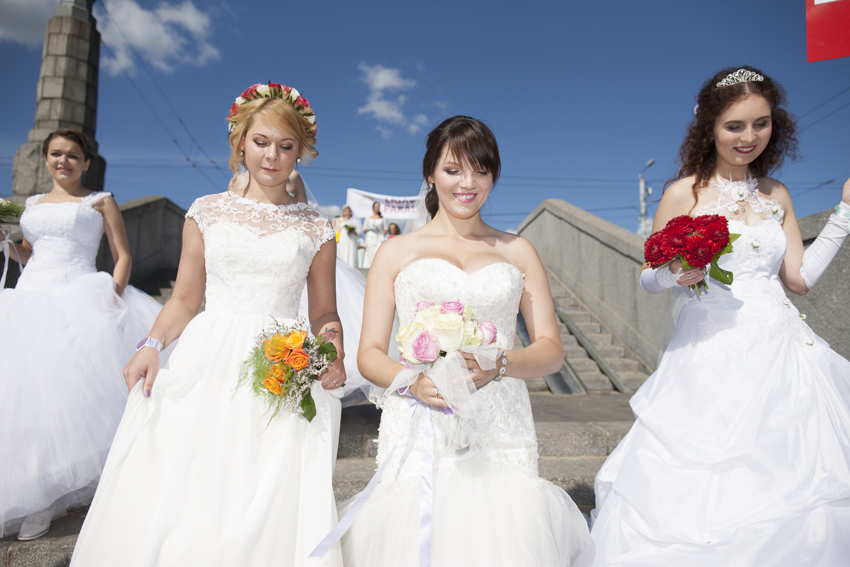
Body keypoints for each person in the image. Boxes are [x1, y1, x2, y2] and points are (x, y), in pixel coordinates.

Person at [70, 82, 346, 566]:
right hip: (210, 357)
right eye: (261, 141)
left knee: (267, 492)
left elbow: (324, 311)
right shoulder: (206, 212)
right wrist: (151, 344)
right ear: (241, 141)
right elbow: (183, 299)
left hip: (281, 363)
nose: (272, 156)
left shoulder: (316, 227)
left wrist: (332, 348)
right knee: (194, 484)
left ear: (300, 151)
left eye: (286, 146)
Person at [586, 67, 850, 566]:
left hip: (781, 352)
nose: (749, 137)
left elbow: (799, 279)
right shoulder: (683, 193)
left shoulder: (777, 194)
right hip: (707, 354)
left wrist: (845, 214)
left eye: (761, 123)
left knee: (796, 481)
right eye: (735, 126)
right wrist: (675, 274)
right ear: (709, 126)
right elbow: (647, 277)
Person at [337, 116, 590, 566]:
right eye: (453, 170)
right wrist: (413, 383)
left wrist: (502, 364)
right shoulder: (395, 252)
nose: (467, 183)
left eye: (481, 170)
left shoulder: (518, 250)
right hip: (420, 417)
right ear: (430, 174)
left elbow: (551, 350)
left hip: (500, 422)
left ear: (494, 176)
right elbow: (369, 354)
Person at [0, 129, 166, 540]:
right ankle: (27, 489)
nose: (64, 161)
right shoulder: (33, 205)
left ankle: (49, 497)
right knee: (23, 396)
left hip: (81, 297)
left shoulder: (100, 201)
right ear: (45, 158)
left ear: (86, 162)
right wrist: (5, 243)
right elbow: (28, 254)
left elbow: (122, 255)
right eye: (56, 154)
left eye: (73, 155)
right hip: (29, 298)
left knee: (63, 397)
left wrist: (112, 296)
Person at [361, 201, 388, 268]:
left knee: (378, 251)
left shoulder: (383, 218)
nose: (377, 208)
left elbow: (386, 229)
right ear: (373, 208)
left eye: (378, 206)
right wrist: (370, 228)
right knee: (370, 251)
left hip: (379, 237)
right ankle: (368, 267)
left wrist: (382, 235)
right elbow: (364, 229)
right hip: (370, 237)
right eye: (376, 206)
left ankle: (378, 267)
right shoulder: (368, 218)